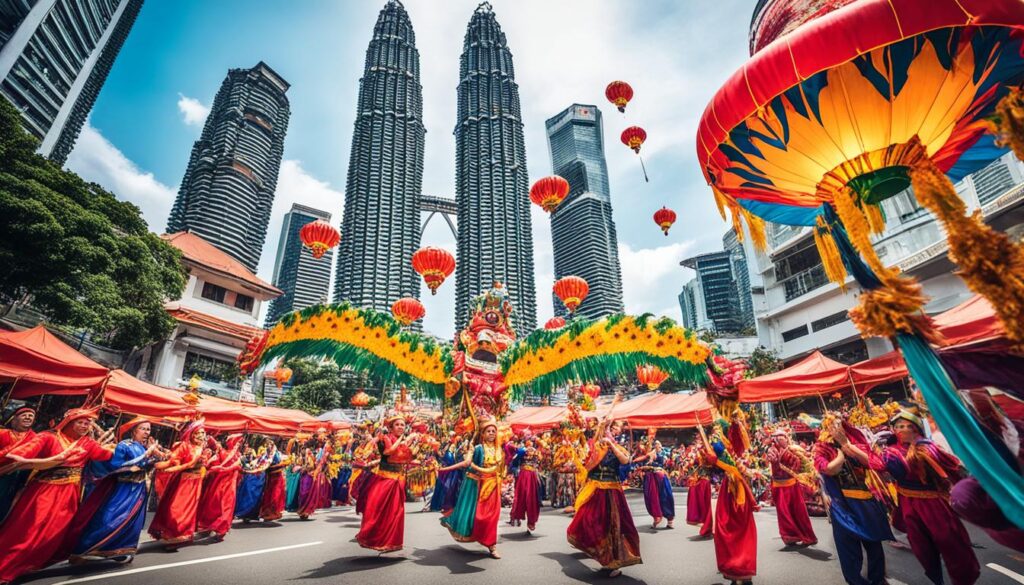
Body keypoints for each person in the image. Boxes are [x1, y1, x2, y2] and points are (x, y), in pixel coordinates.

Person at [0, 407, 115, 584]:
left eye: (87, 423)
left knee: (53, 534)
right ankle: (5, 568)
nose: (84, 426)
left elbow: (107, 456)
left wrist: (110, 441)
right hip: (44, 492)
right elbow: (17, 455)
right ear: (69, 422)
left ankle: (27, 564)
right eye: (80, 422)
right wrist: (48, 460)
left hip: (70, 495)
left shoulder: (87, 443)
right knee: (29, 530)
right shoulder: (48, 437)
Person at [881, 411, 980, 585]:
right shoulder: (890, 452)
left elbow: (951, 467)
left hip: (934, 503)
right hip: (909, 504)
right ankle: (937, 579)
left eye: (908, 426)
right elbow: (889, 470)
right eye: (899, 426)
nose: (903, 429)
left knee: (950, 542)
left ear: (917, 430)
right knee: (922, 548)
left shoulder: (926, 447)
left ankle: (963, 579)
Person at [62, 418, 163, 564]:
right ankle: (84, 549)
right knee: (110, 519)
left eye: (148, 429)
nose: (147, 432)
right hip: (124, 488)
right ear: (134, 430)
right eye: (143, 428)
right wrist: (145, 457)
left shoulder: (144, 447)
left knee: (133, 522)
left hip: (139, 489)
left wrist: (152, 458)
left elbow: (148, 464)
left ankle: (122, 549)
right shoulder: (124, 445)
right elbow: (117, 466)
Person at [815, 416, 894, 585]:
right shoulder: (823, 449)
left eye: (838, 424)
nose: (835, 428)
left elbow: (876, 464)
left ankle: (878, 579)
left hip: (865, 502)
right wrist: (841, 454)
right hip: (841, 505)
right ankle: (856, 581)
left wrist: (847, 446)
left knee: (873, 543)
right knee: (847, 547)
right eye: (831, 425)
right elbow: (829, 469)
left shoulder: (857, 442)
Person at [567, 416, 641, 577]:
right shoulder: (595, 447)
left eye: (618, 429)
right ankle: (603, 556)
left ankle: (612, 562)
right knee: (588, 520)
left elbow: (625, 461)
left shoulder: (619, 448)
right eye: (613, 427)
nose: (615, 430)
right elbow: (586, 464)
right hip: (595, 490)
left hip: (612, 492)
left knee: (613, 526)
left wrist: (612, 446)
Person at [704, 400, 757, 585]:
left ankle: (739, 567)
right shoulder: (727, 434)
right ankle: (738, 569)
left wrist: (714, 458)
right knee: (732, 527)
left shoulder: (725, 432)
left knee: (731, 528)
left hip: (735, 486)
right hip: (732, 484)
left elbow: (720, 453)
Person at [441, 416, 505, 559]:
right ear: (482, 434)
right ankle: (481, 537)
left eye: (493, 431)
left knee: (492, 518)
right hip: (479, 486)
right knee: (480, 517)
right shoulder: (477, 448)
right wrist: (445, 469)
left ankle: (491, 545)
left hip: (493, 486)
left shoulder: (498, 449)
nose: (491, 433)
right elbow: (466, 464)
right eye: (488, 431)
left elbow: (499, 468)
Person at [149, 419, 210, 550]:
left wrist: (172, 468)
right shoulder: (183, 445)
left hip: (195, 482)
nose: (201, 436)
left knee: (187, 510)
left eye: (203, 433)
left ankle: (181, 535)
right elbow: (173, 459)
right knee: (175, 508)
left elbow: (196, 464)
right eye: (198, 433)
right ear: (192, 434)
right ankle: (172, 534)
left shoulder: (203, 449)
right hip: (183, 482)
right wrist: (161, 462)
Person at [356, 415, 413, 553]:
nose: (401, 427)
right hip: (384, 480)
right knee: (377, 511)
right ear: (391, 428)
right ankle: (374, 538)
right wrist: (402, 439)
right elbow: (388, 452)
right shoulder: (386, 438)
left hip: (397, 480)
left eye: (403, 425)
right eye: (398, 425)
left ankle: (391, 542)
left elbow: (403, 460)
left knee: (395, 513)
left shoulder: (404, 442)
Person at [765, 428, 817, 546]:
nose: (782, 440)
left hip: (792, 484)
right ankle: (790, 536)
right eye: (779, 438)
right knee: (784, 513)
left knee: (799, 512)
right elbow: (771, 462)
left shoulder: (793, 449)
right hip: (780, 485)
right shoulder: (772, 450)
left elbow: (800, 464)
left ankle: (806, 535)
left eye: (783, 437)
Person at [196, 433, 244, 541]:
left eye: (239, 442)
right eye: (237, 442)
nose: (238, 444)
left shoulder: (238, 455)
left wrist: (221, 468)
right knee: (214, 504)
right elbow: (212, 463)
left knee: (226, 507)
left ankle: (221, 529)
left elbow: (237, 468)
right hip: (220, 483)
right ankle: (209, 525)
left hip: (230, 485)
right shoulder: (222, 452)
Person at [0, 405, 37, 523]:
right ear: (15, 419)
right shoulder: (3, 433)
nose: (28, 417)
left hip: (19, 477)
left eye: (31, 415)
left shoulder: (36, 438)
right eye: (24, 415)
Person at [636, 439, 675, 529]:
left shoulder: (660, 454)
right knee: (651, 498)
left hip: (659, 477)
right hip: (649, 478)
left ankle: (670, 521)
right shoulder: (644, 455)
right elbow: (637, 461)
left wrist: (648, 466)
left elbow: (660, 465)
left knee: (665, 497)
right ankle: (656, 517)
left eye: (647, 445)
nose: (644, 447)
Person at [509, 436, 543, 533]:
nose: (530, 443)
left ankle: (530, 521)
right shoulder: (521, 451)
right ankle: (517, 517)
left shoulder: (537, 452)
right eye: (528, 441)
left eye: (531, 441)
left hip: (531, 476)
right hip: (524, 475)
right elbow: (514, 462)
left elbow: (541, 463)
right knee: (522, 497)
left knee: (532, 498)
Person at [296, 429, 332, 519]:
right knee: (304, 493)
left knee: (306, 493)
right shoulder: (306, 452)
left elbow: (314, 464)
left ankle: (305, 511)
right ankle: (304, 510)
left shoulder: (316, 452)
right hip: (306, 474)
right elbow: (301, 462)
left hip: (310, 474)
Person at [684, 441, 714, 538]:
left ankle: (708, 524)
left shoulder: (710, 452)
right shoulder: (699, 453)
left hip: (708, 481)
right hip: (703, 481)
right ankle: (706, 523)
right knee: (703, 502)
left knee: (706, 503)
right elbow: (691, 464)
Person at [430, 432, 465, 513]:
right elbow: (442, 456)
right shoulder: (446, 448)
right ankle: (441, 505)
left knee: (449, 488)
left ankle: (447, 505)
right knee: (445, 488)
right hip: (447, 471)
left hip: (451, 471)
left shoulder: (456, 449)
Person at [235, 444, 268, 522]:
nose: (250, 455)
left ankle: (253, 514)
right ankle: (245, 514)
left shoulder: (258, 460)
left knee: (256, 497)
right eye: (248, 453)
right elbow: (241, 468)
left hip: (256, 480)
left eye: (251, 454)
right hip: (248, 479)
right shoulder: (242, 459)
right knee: (247, 496)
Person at [259, 439, 289, 522]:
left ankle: (274, 512)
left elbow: (282, 462)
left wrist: (275, 466)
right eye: (267, 445)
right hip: (270, 477)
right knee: (268, 495)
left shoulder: (277, 453)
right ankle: (267, 513)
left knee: (275, 495)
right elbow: (262, 462)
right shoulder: (266, 454)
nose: (268, 446)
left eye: (269, 444)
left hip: (277, 478)